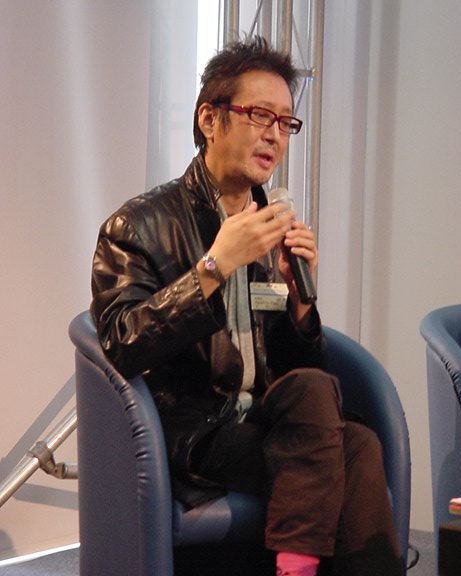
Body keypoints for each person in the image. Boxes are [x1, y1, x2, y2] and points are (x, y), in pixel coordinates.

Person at [91, 37, 402, 576]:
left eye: (285, 122)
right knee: (355, 451)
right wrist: (213, 269)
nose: (274, 134)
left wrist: (299, 306)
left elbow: (297, 373)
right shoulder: (138, 225)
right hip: (193, 432)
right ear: (210, 119)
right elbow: (121, 342)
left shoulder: (272, 223)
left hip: (262, 420)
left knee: (330, 409)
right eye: (260, 115)